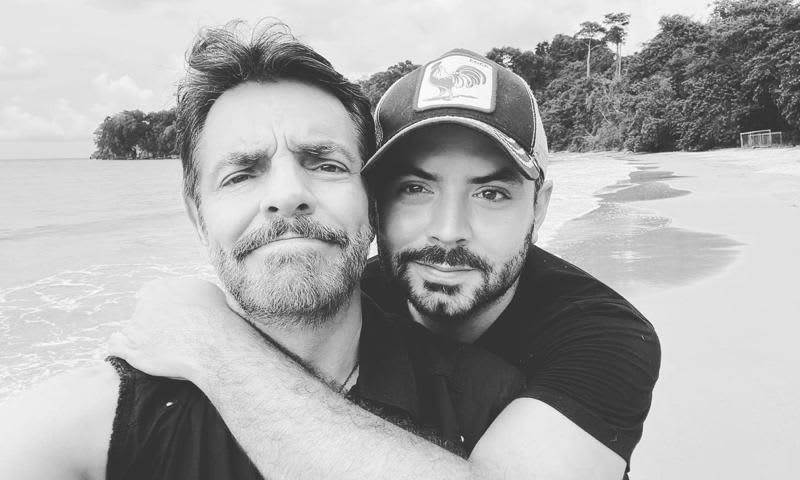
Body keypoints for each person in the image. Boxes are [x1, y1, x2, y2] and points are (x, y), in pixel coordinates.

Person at [0, 25, 526, 480]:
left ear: (372, 204)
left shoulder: (489, 401)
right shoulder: (97, 424)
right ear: (197, 214)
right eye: (241, 174)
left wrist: (216, 348)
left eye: (325, 164)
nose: (286, 194)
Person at [107, 48, 661, 479]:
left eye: (491, 193)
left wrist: (213, 343)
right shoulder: (355, 291)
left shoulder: (604, 337)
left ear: (539, 208)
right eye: (415, 188)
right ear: (374, 204)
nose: (448, 230)